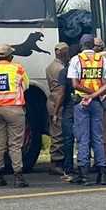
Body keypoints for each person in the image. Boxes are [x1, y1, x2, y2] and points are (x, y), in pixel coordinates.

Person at [67, 34, 106, 185]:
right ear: (93, 45)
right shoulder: (102, 60)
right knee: (98, 138)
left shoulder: (76, 60)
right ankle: (102, 173)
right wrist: (94, 95)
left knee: (83, 138)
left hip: (81, 102)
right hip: (97, 102)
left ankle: (84, 174)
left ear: (81, 45)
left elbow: (74, 84)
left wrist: (87, 94)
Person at [0, 44, 29, 188]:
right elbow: (26, 85)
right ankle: (18, 176)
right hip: (14, 109)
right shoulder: (17, 68)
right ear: (10, 57)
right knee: (15, 144)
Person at [44, 42, 70, 175]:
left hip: (52, 99)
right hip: (57, 102)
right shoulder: (61, 69)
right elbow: (61, 91)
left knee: (55, 132)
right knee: (58, 134)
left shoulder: (50, 66)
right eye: (67, 51)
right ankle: (57, 162)